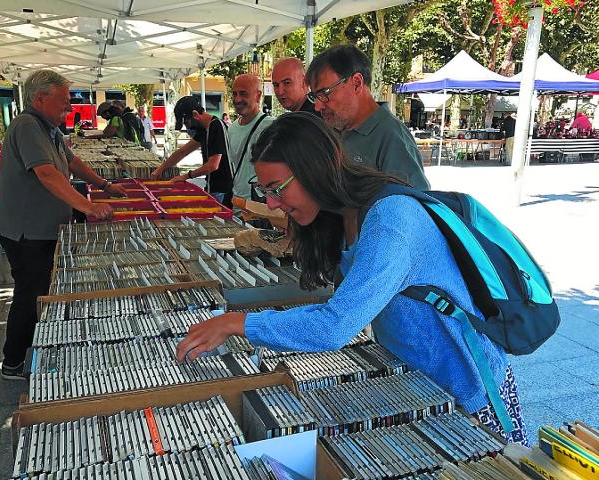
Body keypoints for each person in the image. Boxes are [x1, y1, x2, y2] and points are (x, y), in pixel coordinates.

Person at [175, 112, 529, 446]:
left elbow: (335, 326)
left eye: (277, 188)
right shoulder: (341, 216)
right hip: (419, 384)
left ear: (314, 171)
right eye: (264, 190)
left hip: (470, 388)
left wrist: (237, 323)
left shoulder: (390, 221)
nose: (272, 203)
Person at [0, 69, 125, 380]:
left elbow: (72, 163)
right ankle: (13, 363)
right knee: (30, 294)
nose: (69, 108)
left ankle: (33, 351)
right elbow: (48, 174)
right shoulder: (27, 126)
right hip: (27, 232)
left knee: (39, 290)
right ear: (41, 98)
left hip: (43, 228)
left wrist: (105, 186)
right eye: (64, 101)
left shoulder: (48, 127)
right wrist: (88, 206)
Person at [306, 44, 429, 190]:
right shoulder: (333, 129)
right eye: (315, 97)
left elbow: (412, 206)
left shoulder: (392, 136)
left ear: (357, 83)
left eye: (324, 94)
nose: (317, 106)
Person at [151, 96, 233, 206]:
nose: (187, 126)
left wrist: (185, 176)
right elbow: (182, 152)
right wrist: (160, 169)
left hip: (223, 191)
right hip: (212, 188)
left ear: (195, 115)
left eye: (187, 123)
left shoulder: (216, 127)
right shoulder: (204, 129)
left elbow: (213, 165)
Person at [228, 74, 274, 201]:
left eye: (243, 94)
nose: (237, 99)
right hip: (237, 203)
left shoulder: (272, 126)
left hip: (262, 206)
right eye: (234, 94)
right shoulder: (232, 129)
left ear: (258, 96)